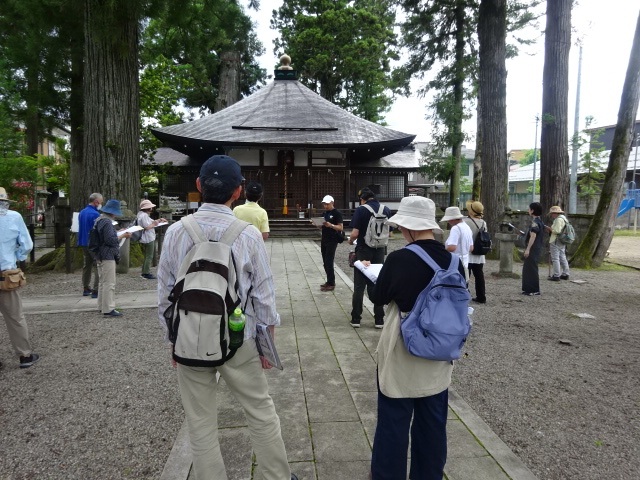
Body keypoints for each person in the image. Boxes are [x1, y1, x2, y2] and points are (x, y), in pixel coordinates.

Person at [157, 155, 298, 480]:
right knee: (260, 411)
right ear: (238, 191)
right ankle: (277, 476)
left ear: (198, 186)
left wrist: (174, 338)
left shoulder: (177, 232)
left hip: (190, 338)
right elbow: (264, 296)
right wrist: (267, 346)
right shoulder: (247, 235)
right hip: (240, 339)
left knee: (200, 421)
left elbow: (165, 292)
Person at [369, 196, 465, 480]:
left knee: (393, 422)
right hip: (440, 349)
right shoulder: (455, 261)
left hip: (403, 347)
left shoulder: (400, 259)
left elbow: (378, 297)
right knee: (433, 423)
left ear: (407, 228)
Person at [0, 187, 40, 368]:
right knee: (15, 316)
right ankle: (24, 355)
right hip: (6, 274)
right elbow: (27, 245)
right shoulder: (14, 217)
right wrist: (16, 256)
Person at [347, 187, 391, 329]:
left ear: (362, 199)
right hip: (379, 251)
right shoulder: (386, 209)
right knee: (377, 283)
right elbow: (389, 232)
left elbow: (355, 233)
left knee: (359, 286)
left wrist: (350, 241)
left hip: (363, 250)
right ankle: (379, 319)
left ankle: (356, 319)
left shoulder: (361, 210)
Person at [94, 199, 131, 316]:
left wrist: (118, 232)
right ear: (113, 212)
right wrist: (123, 235)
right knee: (109, 283)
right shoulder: (107, 222)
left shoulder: (99, 220)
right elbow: (110, 240)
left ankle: (101, 306)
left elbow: (105, 236)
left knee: (102, 282)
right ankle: (108, 308)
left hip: (99, 254)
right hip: (107, 255)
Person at [78, 192, 103, 297]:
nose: (101, 204)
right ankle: (96, 290)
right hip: (93, 243)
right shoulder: (96, 214)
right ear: (96, 202)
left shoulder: (82, 212)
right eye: (101, 202)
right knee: (98, 265)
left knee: (86, 265)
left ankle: (86, 287)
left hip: (83, 241)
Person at [463, 200, 487, 303]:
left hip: (468, 252)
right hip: (479, 252)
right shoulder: (483, 223)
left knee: (465, 274)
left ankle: (464, 295)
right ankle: (481, 296)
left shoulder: (465, 221)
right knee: (479, 275)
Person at [137, 199, 167, 280]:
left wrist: (159, 220)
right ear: (148, 208)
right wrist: (155, 223)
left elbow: (151, 222)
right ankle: (146, 273)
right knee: (149, 256)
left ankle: (145, 271)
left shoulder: (141, 214)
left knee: (147, 255)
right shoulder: (144, 216)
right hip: (148, 238)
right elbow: (147, 227)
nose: (151, 209)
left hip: (147, 237)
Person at [319, 194, 343, 291]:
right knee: (325, 261)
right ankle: (329, 281)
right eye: (324, 204)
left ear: (332, 203)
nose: (325, 206)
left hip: (332, 239)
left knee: (329, 261)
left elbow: (340, 227)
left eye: (327, 204)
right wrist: (317, 224)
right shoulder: (324, 214)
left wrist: (331, 225)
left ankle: (331, 283)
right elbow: (322, 226)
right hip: (324, 238)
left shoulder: (337, 213)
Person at [441, 206, 474, 275]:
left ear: (453, 219)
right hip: (465, 262)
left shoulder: (456, 228)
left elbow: (452, 247)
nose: (448, 221)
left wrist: (442, 251)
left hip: (455, 263)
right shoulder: (467, 227)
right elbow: (471, 248)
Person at [522, 202, 545, 296]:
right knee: (529, 268)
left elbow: (533, 236)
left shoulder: (535, 223)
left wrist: (528, 249)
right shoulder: (540, 222)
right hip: (537, 247)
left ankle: (533, 289)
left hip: (533, 248)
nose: (528, 210)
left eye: (529, 209)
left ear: (532, 210)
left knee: (531, 268)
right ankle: (529, 288)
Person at [545, 205, 570, 281]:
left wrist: (549, 229)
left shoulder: (558, 220)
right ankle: (565, 273)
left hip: (556, 240)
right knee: (562, 256)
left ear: (555, 213)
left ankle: (556, 275)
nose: (551, 215)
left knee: (555, 258)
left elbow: (557, 231)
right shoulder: (564, 219)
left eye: (552, 213)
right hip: (562, 240)